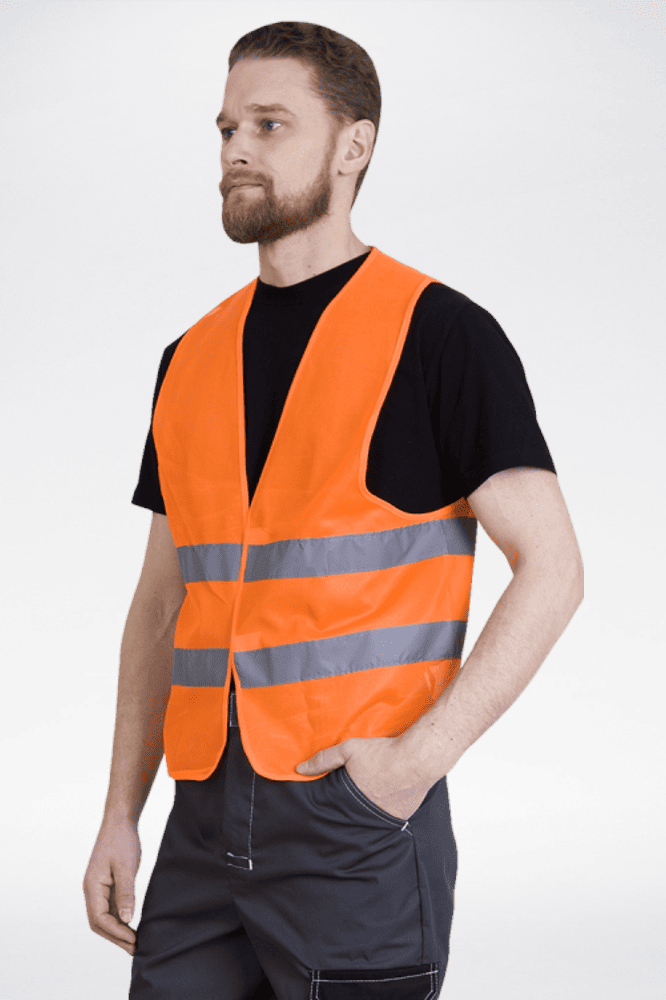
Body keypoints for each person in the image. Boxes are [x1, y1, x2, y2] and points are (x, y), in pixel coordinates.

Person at [82, 20, 584, 1000]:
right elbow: (160, 603)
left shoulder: (441, 336)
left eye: (270, 124)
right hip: (200, 818)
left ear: (354, 146)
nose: (236, 148)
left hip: (353, 823)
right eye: (227, 127)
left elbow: (555, 569)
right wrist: (119, 812)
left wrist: (410, 767)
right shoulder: (189, 360)